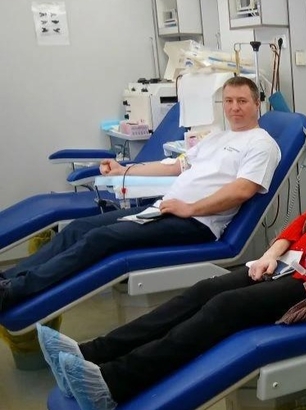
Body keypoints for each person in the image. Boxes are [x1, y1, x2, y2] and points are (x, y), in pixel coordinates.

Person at [38, 114, 306, 410]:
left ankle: (113, 382)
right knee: (202, 291)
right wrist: (269, 256)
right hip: (287, 264)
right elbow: (304, 221)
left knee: (225, 307)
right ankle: (92, 352)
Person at [0, 76, 280, 311]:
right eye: (228, 101)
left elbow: (242, 189)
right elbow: (174, 166)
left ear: (257, 104)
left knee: (101, 238)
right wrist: (125, 169)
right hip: (165, 209)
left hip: (198, 222)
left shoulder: (261, 144)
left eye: (242, 101)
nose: (234, 108)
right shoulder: (217, 137)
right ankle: (7, 278)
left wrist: (190, 208)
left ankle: (15, 291)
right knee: (79, 227)